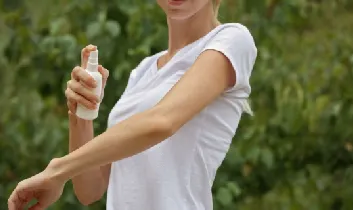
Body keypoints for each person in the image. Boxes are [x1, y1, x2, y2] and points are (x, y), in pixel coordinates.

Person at [8, 0, 257, 209]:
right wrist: (81, 111)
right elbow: (90, 188)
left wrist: (57, 169)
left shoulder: (232, 40)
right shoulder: (144, 70)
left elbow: (162, 122)